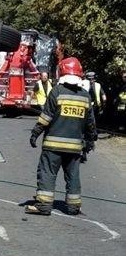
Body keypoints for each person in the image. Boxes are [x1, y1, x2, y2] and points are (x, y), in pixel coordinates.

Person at [26, 56, 97, 216]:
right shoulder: (85, 96)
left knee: (47, 173)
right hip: (75, 148)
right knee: (73, 176)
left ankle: (43, 205)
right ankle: (74, 207)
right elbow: (90, 123)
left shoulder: (57, 92)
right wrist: (91, 140)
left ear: (62, 72)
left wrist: (35, 133)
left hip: (53, 146)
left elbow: (46, 117)